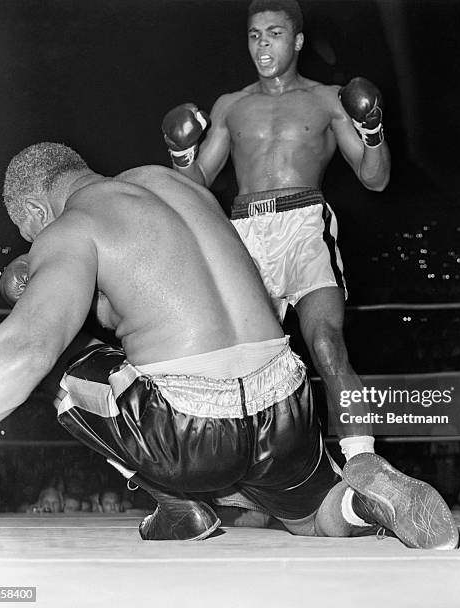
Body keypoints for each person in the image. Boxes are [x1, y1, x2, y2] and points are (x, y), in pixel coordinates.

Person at [0, 142, 457, 548]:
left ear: (35, 209)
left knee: (54, 360)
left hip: (189, 432)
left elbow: (25, 351)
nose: (35, 245)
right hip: (285, 407)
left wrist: (41, 286)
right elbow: (162, 298)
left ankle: (176, 504)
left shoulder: (72, 227)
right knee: (311, 515)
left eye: (29, 234)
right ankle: (361, 501)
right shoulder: (175, 184)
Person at [161, 0, 391, 459]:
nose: (263, 44)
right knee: (236, 365)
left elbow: (375, 177)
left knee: (326, 344)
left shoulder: (328, 99)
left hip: (304, 224)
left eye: (274, 33)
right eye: (254, 35)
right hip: (242, 230)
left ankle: (365, 465)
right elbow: (194, 186)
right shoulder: (230, 106)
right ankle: (250, 481)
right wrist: (181, 156)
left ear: (298, 40)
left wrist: (373, 131)